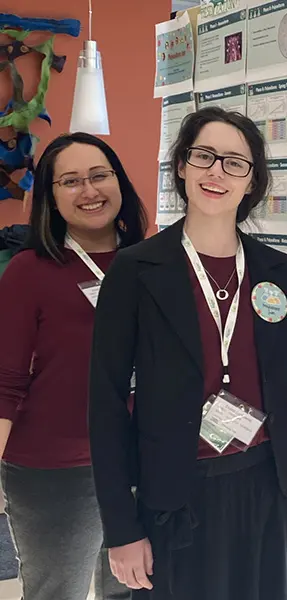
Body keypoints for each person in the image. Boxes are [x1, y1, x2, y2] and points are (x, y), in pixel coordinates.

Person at [89, 106, 287, 600]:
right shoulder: (136, 271)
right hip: (181, 495)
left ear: (252, 182)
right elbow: (106, 406)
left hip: (275, 487)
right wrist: (121, 528)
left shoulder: (277, 270)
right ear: (182, 166)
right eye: (203, 156)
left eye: (234, 163)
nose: (216, 172)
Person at [0, 132, 145, 600]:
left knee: (134, 588)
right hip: (57, 470)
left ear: (120, 182)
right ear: (51, 197)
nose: (89, 191)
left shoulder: (152, 262)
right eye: (71, 181)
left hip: (139, 460)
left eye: (100, 176)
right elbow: (5, 381)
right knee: (55, 592)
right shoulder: (30, 271)